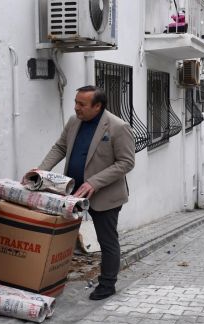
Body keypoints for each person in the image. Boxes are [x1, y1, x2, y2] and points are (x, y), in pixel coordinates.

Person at [38, 85, 135, 300]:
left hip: (104, 195)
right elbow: (60, 147)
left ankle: (107, 284)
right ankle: (53, 277)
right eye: (76, 102)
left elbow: (126, 162)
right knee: (62, 237)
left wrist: (95, 182)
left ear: (97, 106)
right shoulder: (74, 122)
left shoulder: (118, 127)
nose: (76, 108)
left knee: (107, 240)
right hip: (71, 193)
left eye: (81, 104)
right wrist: (41, 170)